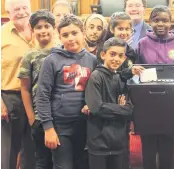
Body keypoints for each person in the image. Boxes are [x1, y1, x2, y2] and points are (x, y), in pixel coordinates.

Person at [35, 14, 97, 169]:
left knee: (83, 165)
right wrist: (48, 128)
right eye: (65, 35)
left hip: (85, 125)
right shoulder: (52, 61)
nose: (70, 38)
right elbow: (42, 96)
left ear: (83, 33)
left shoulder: (92, 60)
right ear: (59, 37)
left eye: (74, 33)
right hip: (60, 126)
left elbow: (96, 90)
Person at [136, 5, 174, 169]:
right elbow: (135, 71)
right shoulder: (142, 43)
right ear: (150, 22)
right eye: (156, 20)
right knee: (148, 150)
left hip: (171, 104)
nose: (160, 24)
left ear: (171, 22)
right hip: (147, 104)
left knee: (168, 150)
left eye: (165, 20)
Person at [85, 37, 134, 169]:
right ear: (103, 55)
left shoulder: (120, 79)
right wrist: (120, 108)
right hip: (99, 142)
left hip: (118, 142)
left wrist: (116, 109)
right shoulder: (96, 76)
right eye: (112, 54)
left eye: (120, 55)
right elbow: (96, 108)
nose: (116, 59)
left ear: (124, 58)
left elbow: (129, 109)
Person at [18, 9, 56, 169]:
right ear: (33, 31)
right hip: (39, 118)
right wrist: (31, 118)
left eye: (47, 26)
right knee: (42, 160)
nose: (43, 30)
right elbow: (25, 88)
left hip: (61, 115)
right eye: (38, 27)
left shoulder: (61, 52)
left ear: (54, 28)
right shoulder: (29, 56)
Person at [1, 0, 35, 169]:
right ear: (7, 12)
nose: (22, 12)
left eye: (25, 8)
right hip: (10, 97)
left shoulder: (39, 29)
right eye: (16, 9)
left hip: (36, 97)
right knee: (9, 149)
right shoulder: (2, 34)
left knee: (32, 146)